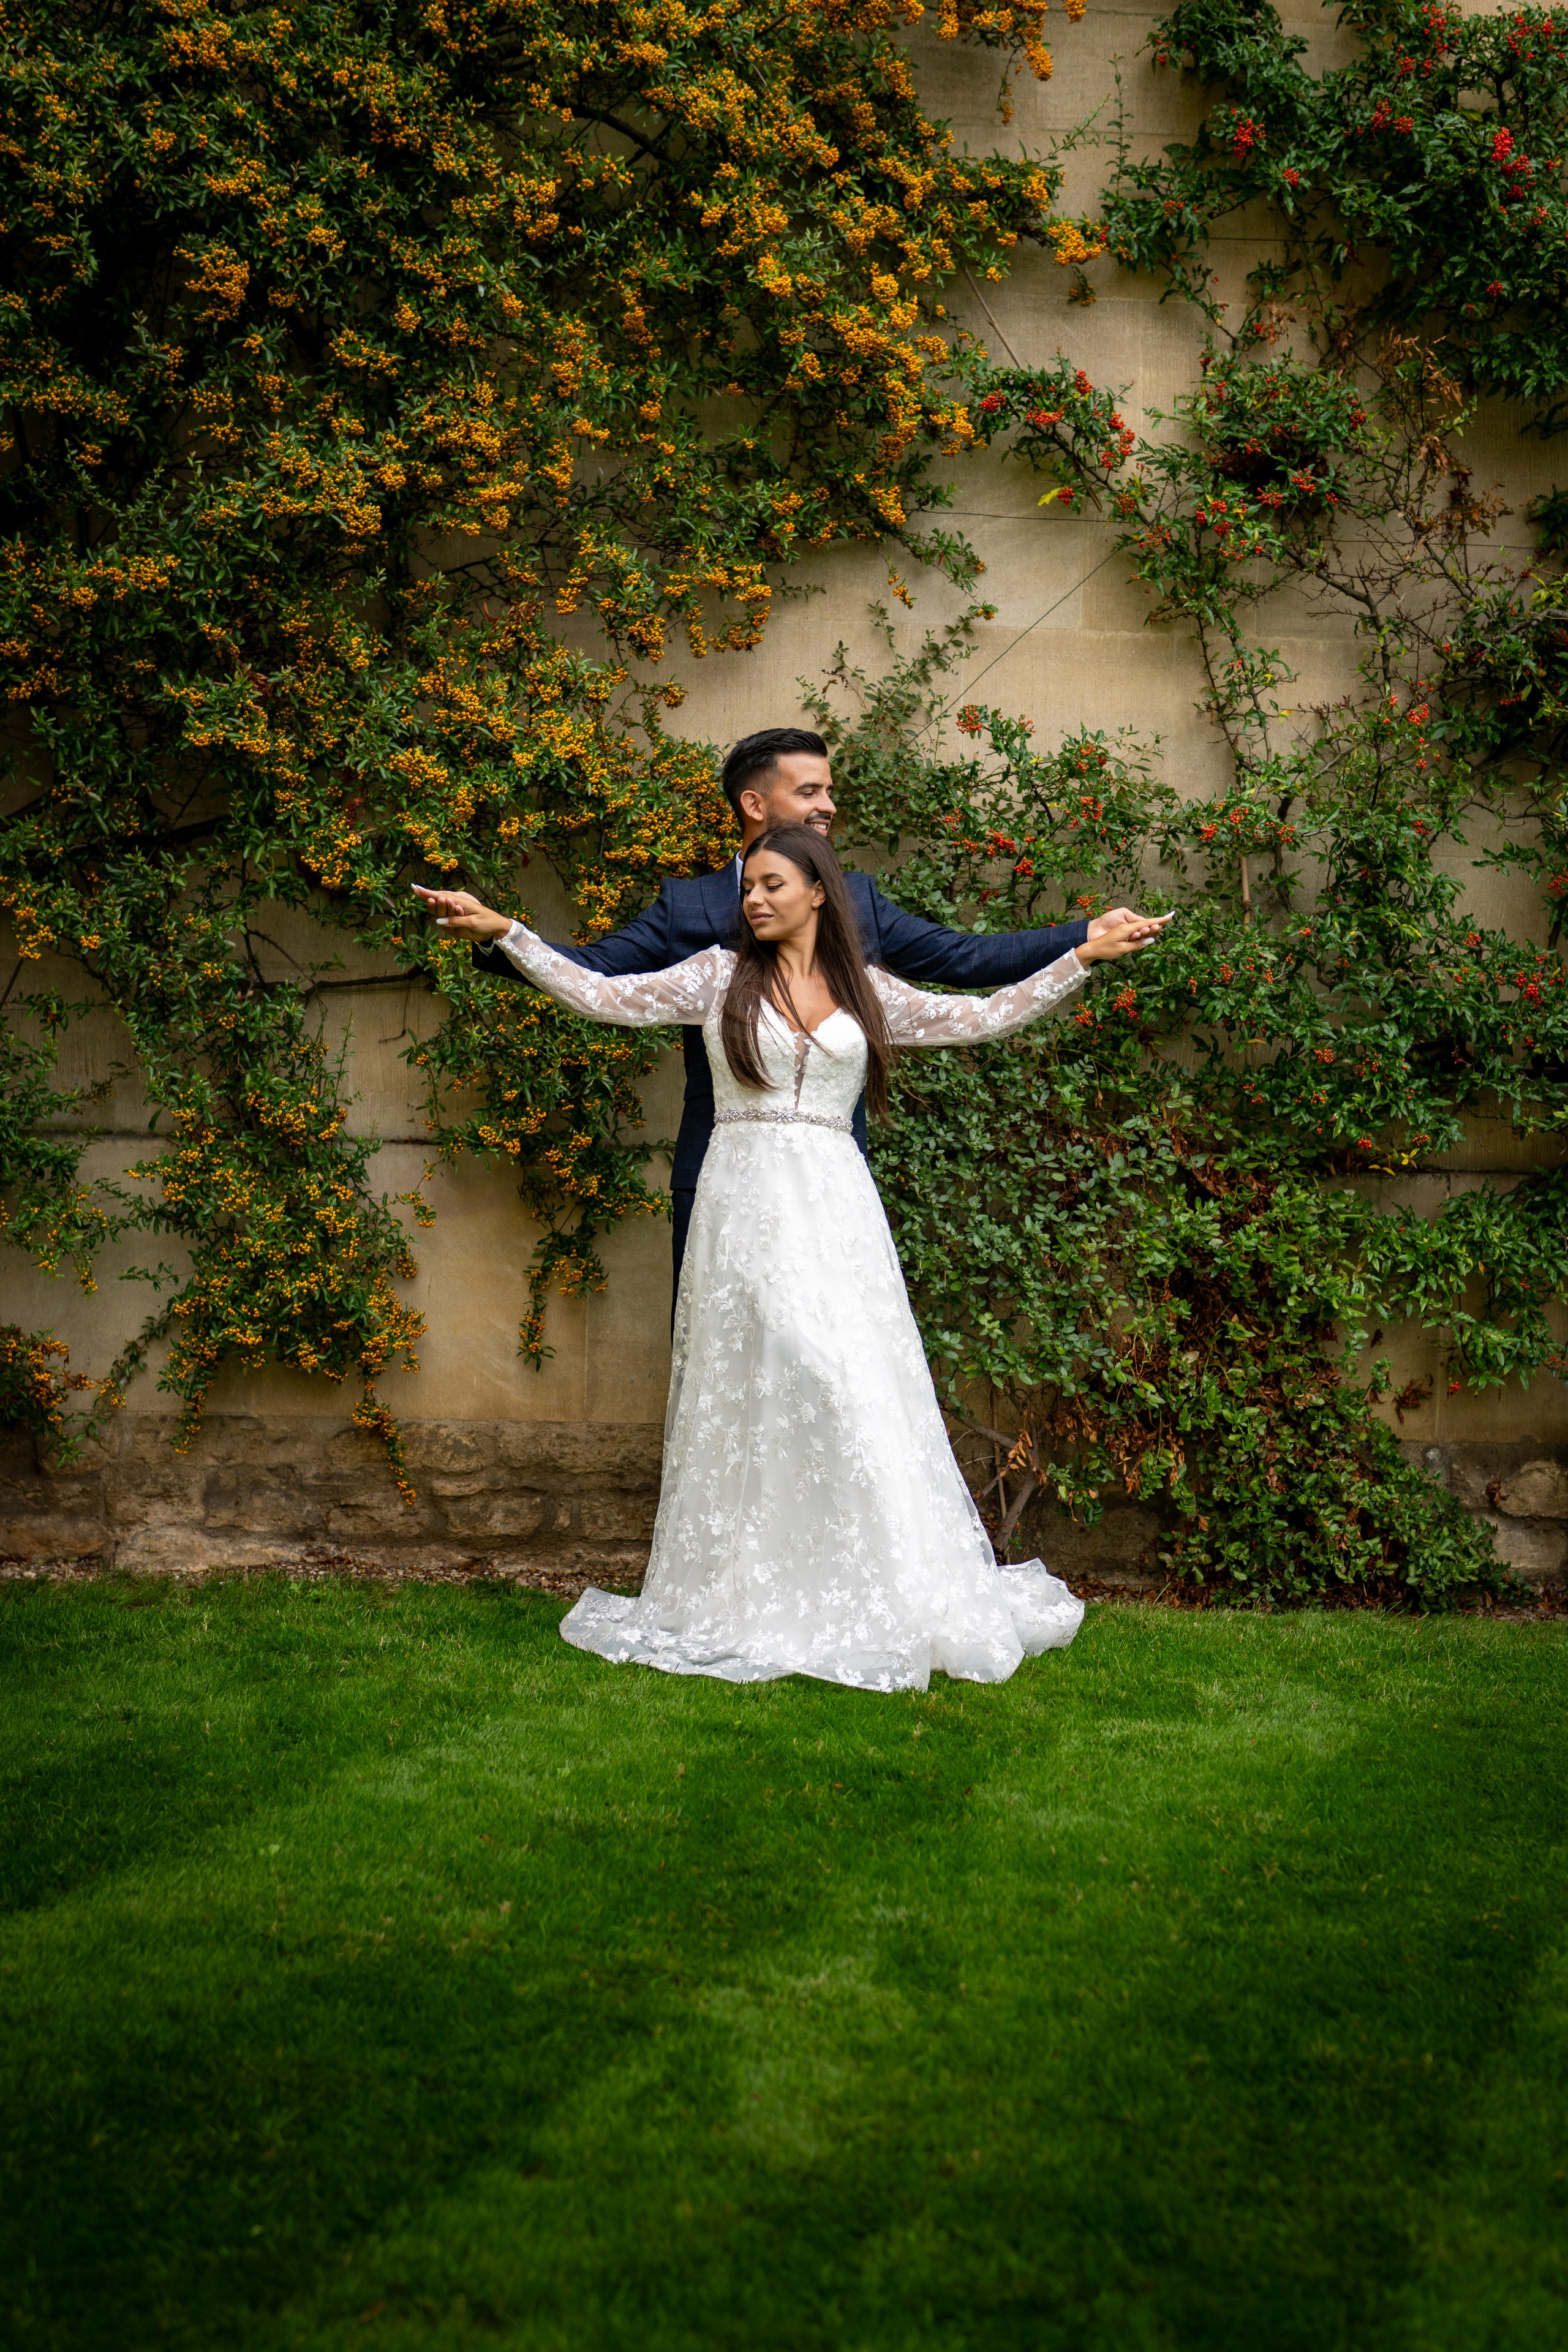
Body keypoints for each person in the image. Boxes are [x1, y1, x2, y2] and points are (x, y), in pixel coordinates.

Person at [413, 826, 1167, 1694]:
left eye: (773, 885)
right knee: (781, 1370)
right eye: (748, 889)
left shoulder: (866, 988)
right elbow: (599, 994)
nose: (754, 900)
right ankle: (755, 1587)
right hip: (743, 1204)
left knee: (857, 1378)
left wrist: (1082, 955)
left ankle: (877, 1578)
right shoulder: (714, 977)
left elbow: (982, 1015)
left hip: (839, 1207)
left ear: (819, 893)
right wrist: (509, 933)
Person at [442, 726, 1167, 1305]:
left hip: (826, 1170)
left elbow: (965, 964)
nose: (827, 806)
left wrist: (1082, 940)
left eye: (830, 792)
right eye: (810, 790)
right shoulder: (691, 911)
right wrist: (503, 936)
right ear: (756, 805)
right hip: (720, 1165)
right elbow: (598, 978)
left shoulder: (856, 901)